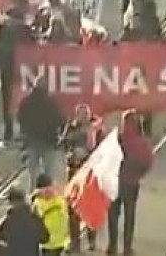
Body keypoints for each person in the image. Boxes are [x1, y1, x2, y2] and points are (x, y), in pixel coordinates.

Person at [106, 110, 152, 256]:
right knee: (129, 216)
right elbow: (148, 161)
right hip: (131, 183)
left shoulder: (117, 139)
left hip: (115, 181)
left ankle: (112, 246)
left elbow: (106, 158)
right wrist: (138, 174)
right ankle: (127, 248)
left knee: (113, 215)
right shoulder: (142, 142)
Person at [61, 105, 102, 253]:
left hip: (90, 174)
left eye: (85, 114)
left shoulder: (97, 129)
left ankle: (92, 241)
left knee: (89, 207)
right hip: (74, 172)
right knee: (73, 209)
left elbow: (102, 149)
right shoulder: (71, 128)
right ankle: (75, 243)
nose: (83, 117)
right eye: (80, 115)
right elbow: (63, 143)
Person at [0, 6, 32, 141]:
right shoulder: (25, 29)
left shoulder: (3, 28)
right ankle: (23, 129)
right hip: (22, 69)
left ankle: (8, 129)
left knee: (7, 100)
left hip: (7, 69)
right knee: (23, 98)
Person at [16, 81, 65, 185]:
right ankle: (47, 189)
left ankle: (33, 190)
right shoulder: (51, 103)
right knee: (49, 171)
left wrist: (25, 132)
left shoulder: (26, 102)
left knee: (32, 171)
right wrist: (59, 134)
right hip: (49, 140)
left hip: (31, 140)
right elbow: (60, 120)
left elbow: (20, 118)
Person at [0, 186, 48, 256]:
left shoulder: (8, 221)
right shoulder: (34, 219)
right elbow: (45, 238)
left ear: (12, 203)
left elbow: (2, 237)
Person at [31, 174, 70, 256]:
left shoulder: (60, 200)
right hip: (48, 245)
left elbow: (67, 216)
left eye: (49, 187)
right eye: (45, 189)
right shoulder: (37, 204)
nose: (48, 191)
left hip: (63, 243)